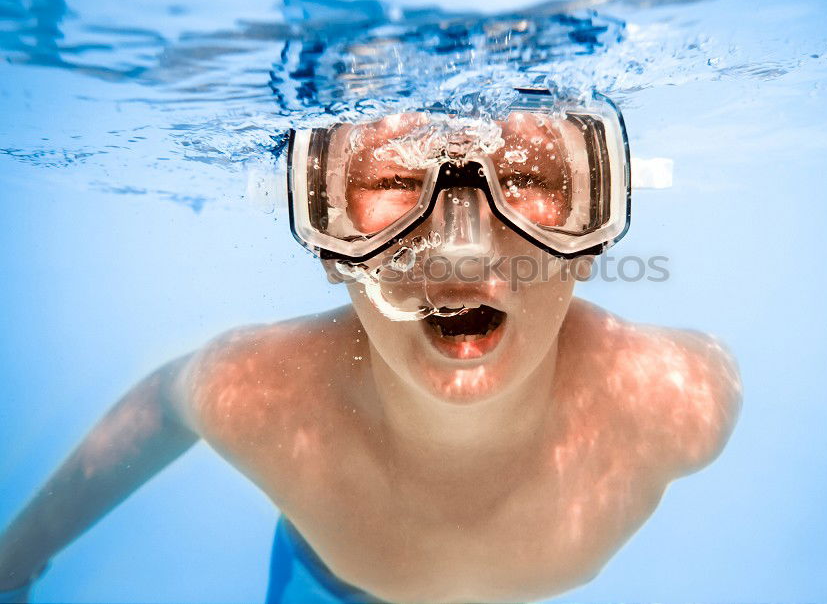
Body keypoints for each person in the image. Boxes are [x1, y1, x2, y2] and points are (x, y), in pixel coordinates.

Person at [0, 89, 741, 603]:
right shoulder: (262, 398)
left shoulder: (678, 403)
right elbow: (165, 404)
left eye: (523, 178)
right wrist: (14, 558)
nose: (461, 251)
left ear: (593, 234)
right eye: (391, 181)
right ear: (328, 243)